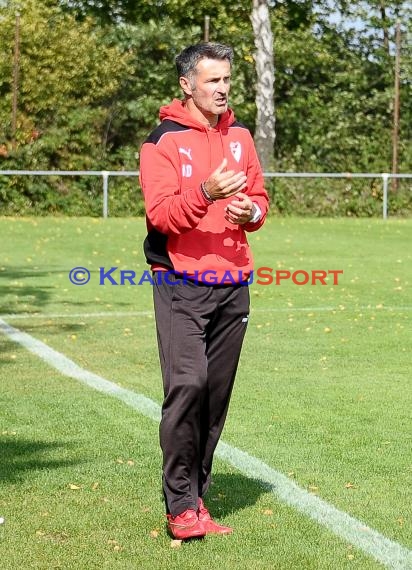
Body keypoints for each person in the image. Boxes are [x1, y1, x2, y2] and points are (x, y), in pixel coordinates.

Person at [139, 42, 269, 540]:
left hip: (233, 282)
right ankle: (179, 507)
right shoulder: (163, 141)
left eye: (227, 80)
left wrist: (249, 213)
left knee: (215, 397)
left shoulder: (239, 135)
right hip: (180, 282)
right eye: (212, 80)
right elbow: (162, 215)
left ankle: (197, 500)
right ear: (186, 85)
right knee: (187, 386)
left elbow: (258, 198)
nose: (221, 89)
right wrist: (206, 195)